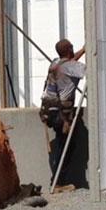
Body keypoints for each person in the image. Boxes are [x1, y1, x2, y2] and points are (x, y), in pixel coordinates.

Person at [39, 38, 86, 189]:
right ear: (70, 50)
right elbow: (84, 70)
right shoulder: (74, 67)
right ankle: (58, 182)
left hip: (48, 112)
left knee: (61, 143)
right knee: (66, 146)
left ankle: (58, 180)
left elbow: (69, 61)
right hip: (61, 114)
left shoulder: (54, 63)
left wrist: (83, 49)